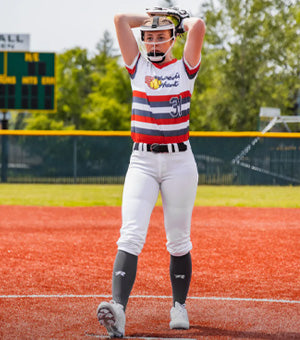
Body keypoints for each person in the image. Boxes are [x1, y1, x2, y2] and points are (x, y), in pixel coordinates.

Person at [97, 6, 205, 338]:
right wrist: (152, 19)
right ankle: (118, 310)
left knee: (178, 240)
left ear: (173, 39)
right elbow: (119, 20)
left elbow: (198, 25)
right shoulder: (138, 66)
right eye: (149, 38)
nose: (154, 43)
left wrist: (175, 20)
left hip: (179, 162)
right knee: (130, 234)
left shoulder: (186, 69)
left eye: (161, 37)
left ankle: (179, 306)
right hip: (141, 161)